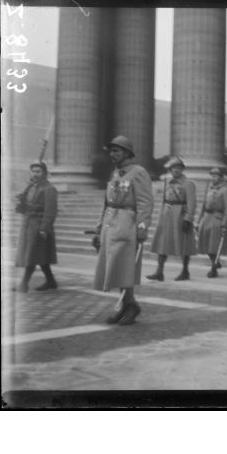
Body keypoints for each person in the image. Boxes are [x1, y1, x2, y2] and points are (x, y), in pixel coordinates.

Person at [93, 136, 154, 325]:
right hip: (111, 224)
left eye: (117, 151)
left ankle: (130, 305)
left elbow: (145, 202)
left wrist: (142, 227)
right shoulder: (115, 173)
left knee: (125, 266)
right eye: (111, 151)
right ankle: (127, 306)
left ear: (127, 153)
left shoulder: (138, 172)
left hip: (127, 224)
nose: (113, 154)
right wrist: (98, 227)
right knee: (116, 267)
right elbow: (107, 202)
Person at [147, 156, 197, 281]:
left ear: (182, 169)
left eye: (179, 167)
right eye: (174, 168)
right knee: (162, 243)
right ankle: (159, 271)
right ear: (170, 169)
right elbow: (164, 200)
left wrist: (188, 219)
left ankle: (185, 271)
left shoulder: (188, 184)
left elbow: (192, 203)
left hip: (180, 215)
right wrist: (161, 215)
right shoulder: (167, 183)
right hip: (167, 215)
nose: (176, 170)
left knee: (183, 243)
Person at [15, 161, 58, 292]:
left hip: (39, 226)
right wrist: (21, 201)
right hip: (28, 223)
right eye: (33, 171)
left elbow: (50, 211)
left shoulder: (49, 189)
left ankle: (24, 284)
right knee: (39, 254)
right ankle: (51, 281)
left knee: (32, 255)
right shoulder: (31, 187)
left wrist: (45, 228)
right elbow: (24, 207)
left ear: (44, 173)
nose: (35, 174)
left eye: (38, 171)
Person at [197, 167, 227, 278]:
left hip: (218, 218)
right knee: (206, 244)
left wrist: (225, 224)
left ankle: (214, 269)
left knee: (214, 246)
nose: (214, 178)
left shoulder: (226, 190)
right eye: (212, 175)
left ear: (221, 177)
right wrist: (198, 220)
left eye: (216, 176)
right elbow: (203, 206)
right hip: (207, 218)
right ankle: (215, 262)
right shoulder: (209, 189)